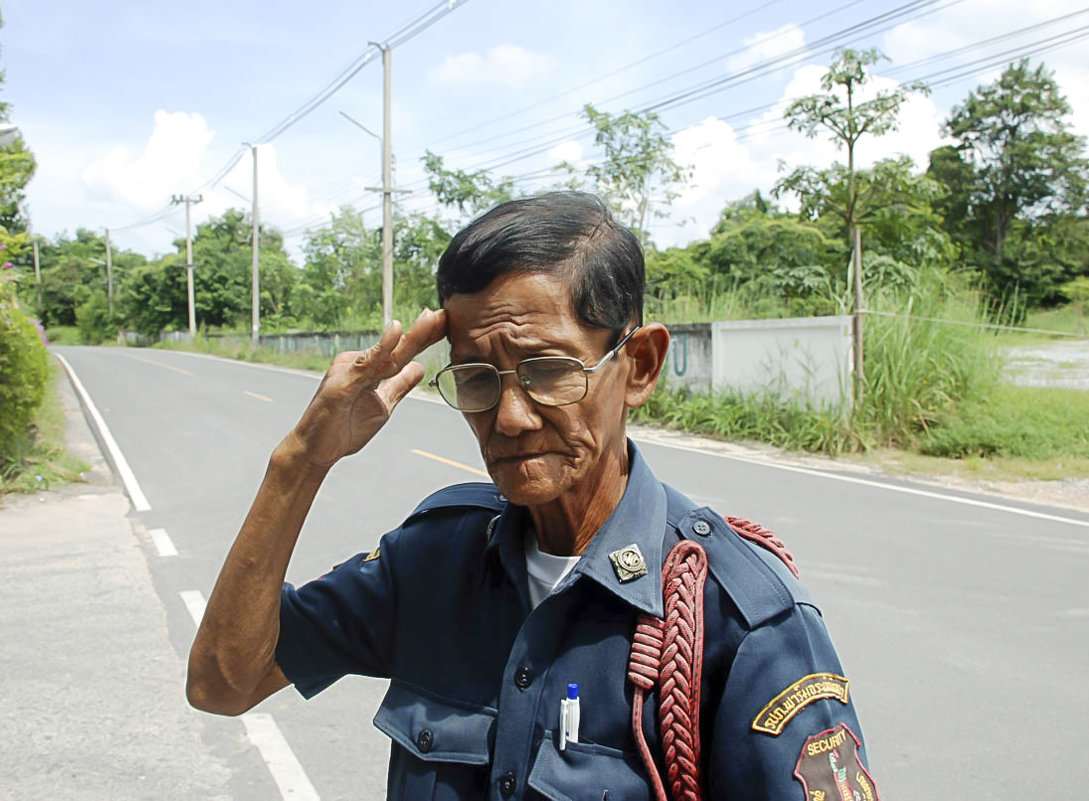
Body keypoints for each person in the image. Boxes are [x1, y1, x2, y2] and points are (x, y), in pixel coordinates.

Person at [187, 192, 878, 800]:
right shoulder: (433, 561)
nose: (509, 416)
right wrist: (300, 461)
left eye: (548, 371)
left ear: (638, 366)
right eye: (476, 378)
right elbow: (224, 680)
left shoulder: (735, 617)